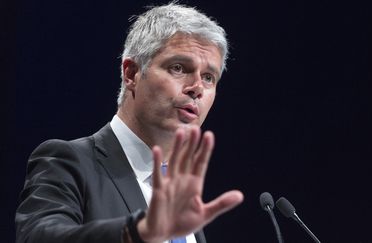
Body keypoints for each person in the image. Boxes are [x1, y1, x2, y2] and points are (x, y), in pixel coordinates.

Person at [15, 3, 244, 243]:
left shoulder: (180, 195)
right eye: (178, 68)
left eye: (209, 77)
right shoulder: (68, 161)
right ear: (131, 73)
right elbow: (38, 236)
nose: (197, 88)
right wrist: (138, 232)